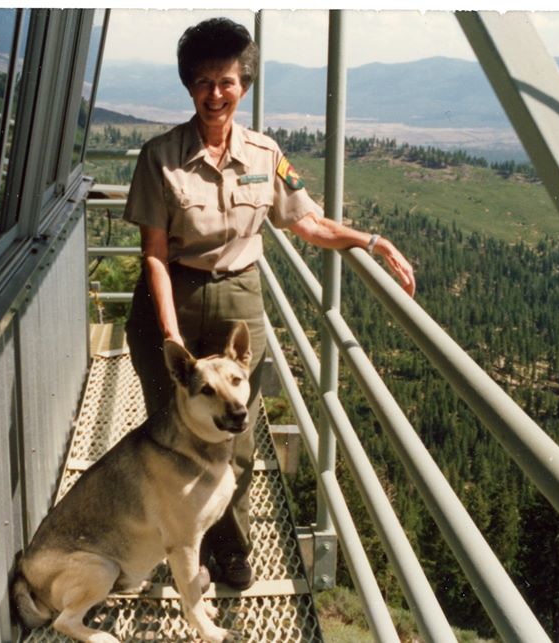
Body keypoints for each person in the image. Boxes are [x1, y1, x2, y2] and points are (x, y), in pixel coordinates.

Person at [122, 17, 416, 591]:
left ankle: (232, 552)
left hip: (238, 303)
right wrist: (170, 336)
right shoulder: (160, 157)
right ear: (189, 86)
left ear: (244, 86)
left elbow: (307, 223)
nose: (215, 94)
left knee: (236, 434)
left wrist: (370, 241)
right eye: (204, 81)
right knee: (168, 434)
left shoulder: (265, 153)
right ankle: (177, 548)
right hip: (172, 297)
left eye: (227, 81)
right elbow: (154, 256)